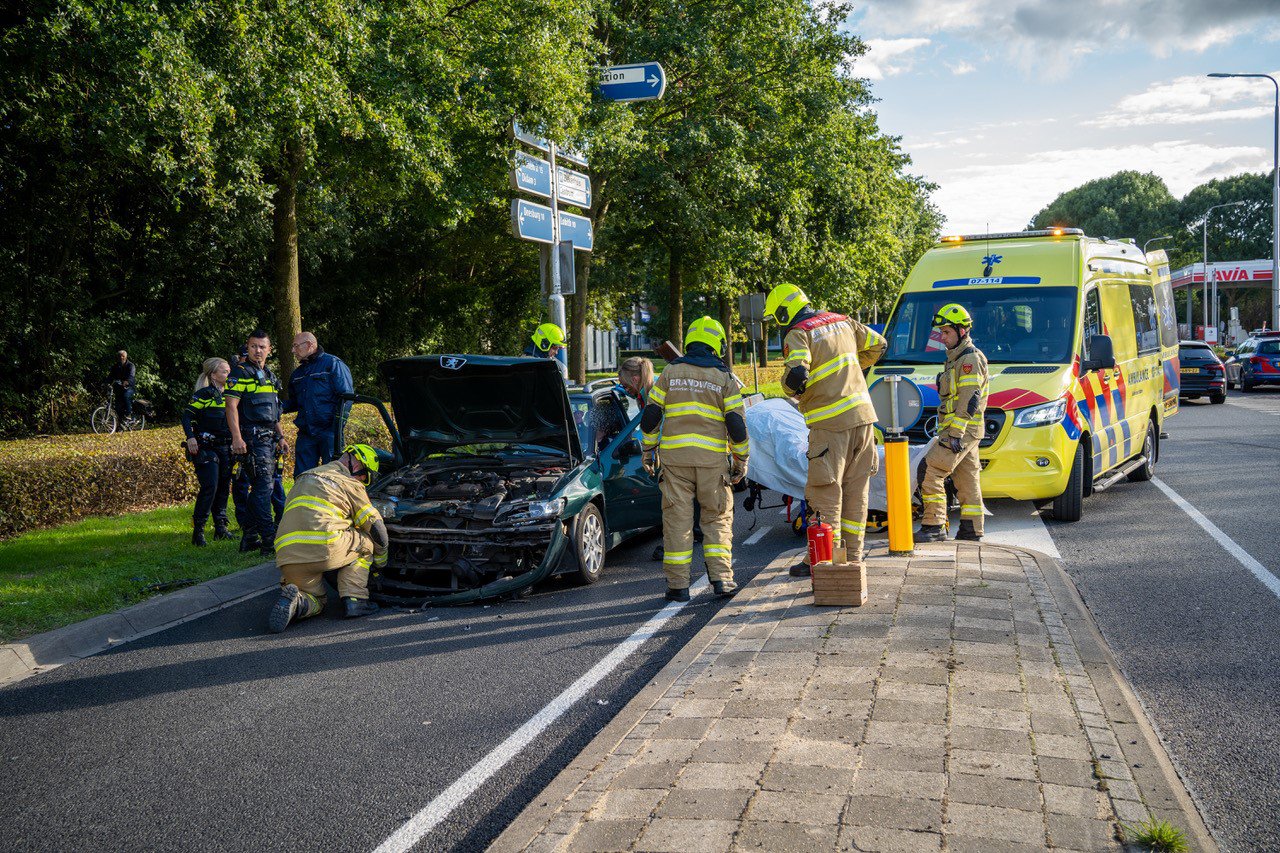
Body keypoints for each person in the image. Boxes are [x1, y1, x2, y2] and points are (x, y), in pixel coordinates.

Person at [765, 283, 886, 577]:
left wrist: (793, 389)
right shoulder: (842, 321)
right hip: (864, 419)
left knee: (825, 493)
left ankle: (822, 561)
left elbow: (797, 372)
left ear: (784, 312)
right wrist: (855, 369)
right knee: (857, 492)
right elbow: (880, 344)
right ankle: (854, 560)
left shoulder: (799, 333)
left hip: (830, 425)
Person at [640, 317, 749, 601]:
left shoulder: (670, 373)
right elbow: (737, 425)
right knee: (716, 519)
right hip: (712, 463)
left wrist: (648, 451)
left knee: (677, 522)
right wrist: (741, 461)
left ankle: (678, 587)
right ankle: (722, 580)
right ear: (718, 345)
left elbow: (651, 417)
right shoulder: (723, 377)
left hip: (675, 463)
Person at [268, 444, 387, 632]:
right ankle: (356, 600)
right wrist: (381, 561)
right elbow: (375, 527)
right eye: (365, 476)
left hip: (287, 554)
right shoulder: (349, 482)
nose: (363, 481)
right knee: (365, 542)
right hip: (324, 547)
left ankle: (298, 603)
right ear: (356, 466)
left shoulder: (304, 477)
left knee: (317, 600)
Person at [918, 304, 989, 542]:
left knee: (930, 470)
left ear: (963, 331)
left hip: (961, 431)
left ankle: (934, 526)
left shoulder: (968, 359)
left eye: (946, 332)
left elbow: (970, 400)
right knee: (967, 480)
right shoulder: (955, 358)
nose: (942, 337)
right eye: (941, 332)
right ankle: (971, 529)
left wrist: (955, 433)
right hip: (965, 431)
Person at [225, 330, 288, 556]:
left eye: (262, 347)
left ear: (269, 350)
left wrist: (280, 436)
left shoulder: (270, 376)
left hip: (269, 438)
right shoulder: (239, 373)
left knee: (264, 487)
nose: (257, 350)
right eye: (253, 346)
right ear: (248, 347)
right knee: (263, 487)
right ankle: (269, 539)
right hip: (251, 438)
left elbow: (273, 413)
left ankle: (250, 537)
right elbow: (231, 407)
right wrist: (237, 438)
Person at [284, 332, 354, 477]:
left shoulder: (333, 364)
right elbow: (293, 402)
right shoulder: (297, 374)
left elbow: (346, 398)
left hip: (329, 432)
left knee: (333, 477)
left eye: (296, 346)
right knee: (302, 477)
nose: (293, 350)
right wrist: (273, 407)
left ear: (309, 345)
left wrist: (337, 427)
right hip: (306, 433)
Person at [181, 358, 235, 546]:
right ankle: (199, 531)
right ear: (213, 375)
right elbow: (187, 416)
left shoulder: (231, 395)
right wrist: (190, 437)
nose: (229, 375)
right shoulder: (204, 395)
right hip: (206, 447)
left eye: (229, 371)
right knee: (210, 486)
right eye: (225, 371)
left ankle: (221, 528)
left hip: (226, 446)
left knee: (223, 487)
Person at [107, 350, 136, 422]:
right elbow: (110, 376)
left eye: (123, 356)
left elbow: (131, 376)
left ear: (126, 357)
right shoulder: (115, 366)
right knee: (117, 406)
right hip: (119, 388)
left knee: (126, 396)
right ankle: (120, 424)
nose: (121, 357)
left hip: (129, 387)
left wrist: (127, 382)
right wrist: (106, 383)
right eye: (120, 356)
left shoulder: (131, 366)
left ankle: (129, 414)